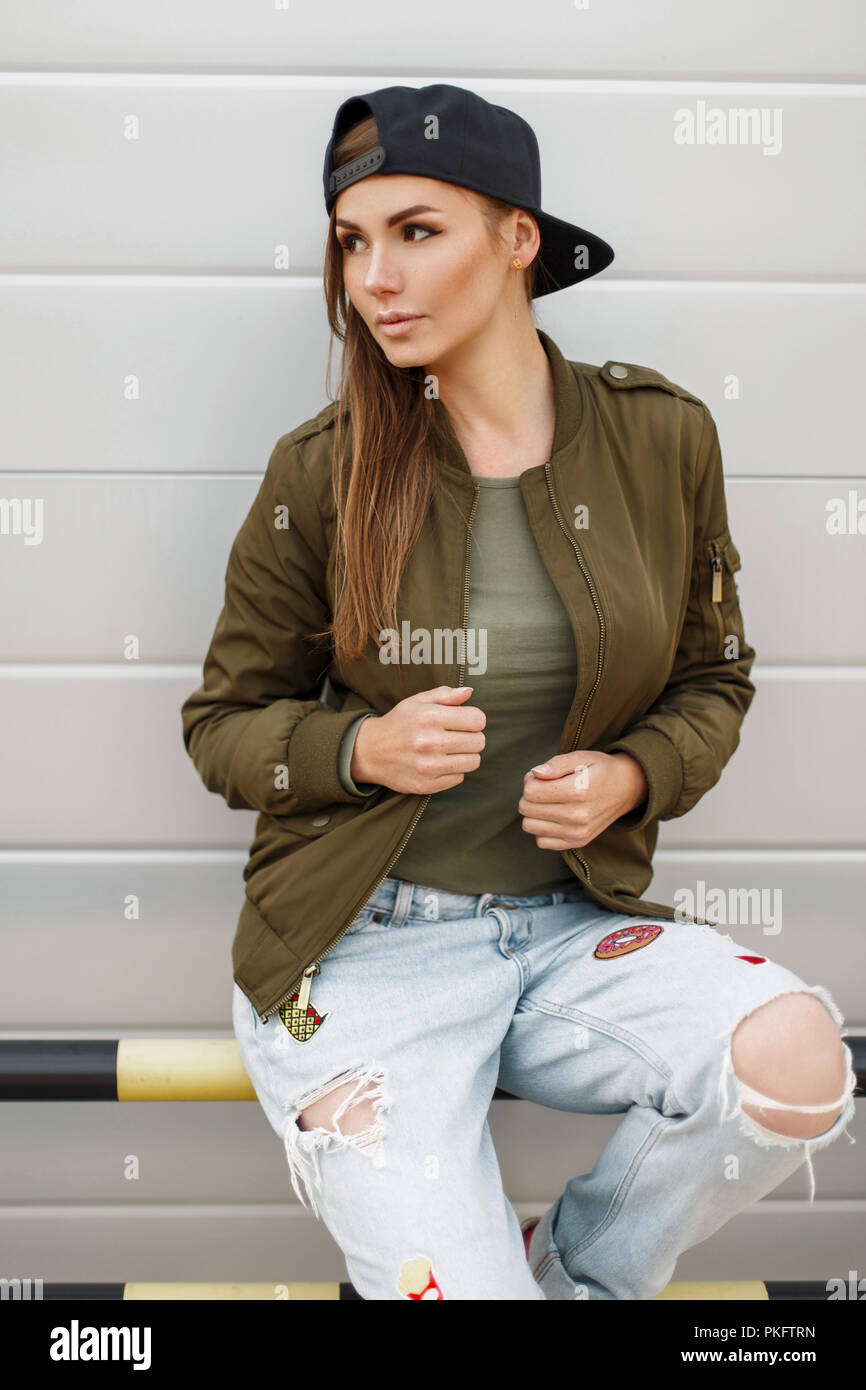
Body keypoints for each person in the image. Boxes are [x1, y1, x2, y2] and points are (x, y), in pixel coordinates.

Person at [181, 83, 858, 1300]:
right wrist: (358, 752)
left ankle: (581, 1275)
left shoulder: (660, 440)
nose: (371, 276)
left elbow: (714, 675)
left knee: (797, 1062)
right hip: (359, 954)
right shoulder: (320, 472)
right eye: (351, 241)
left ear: (517, 238)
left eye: (416, 230)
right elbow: (222, 729)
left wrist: (634, 773)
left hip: (567, 930)